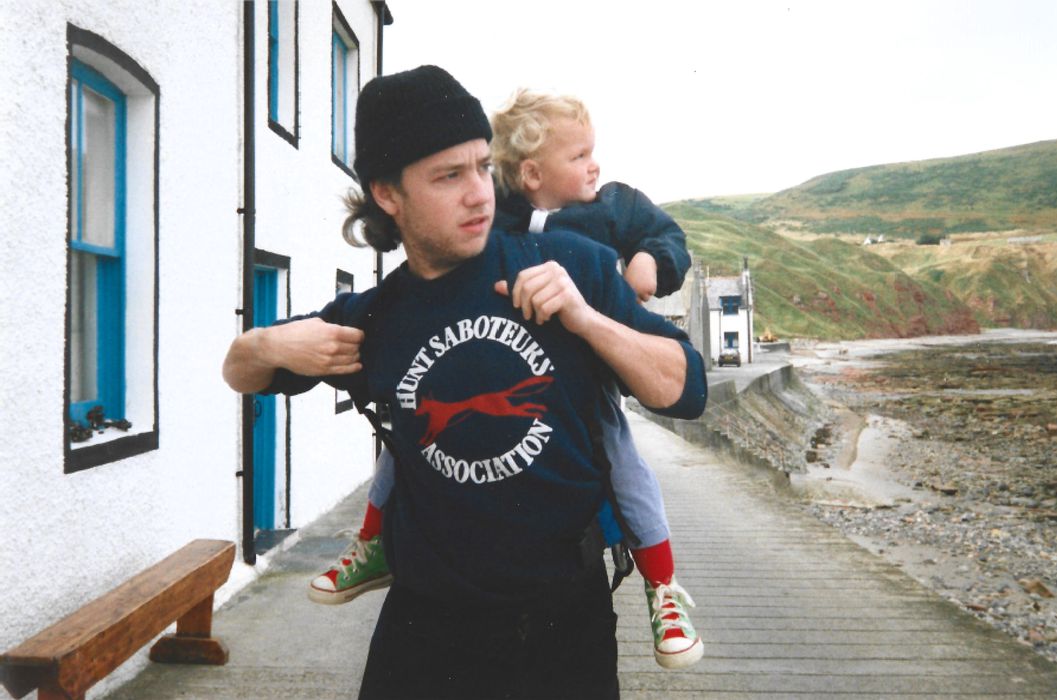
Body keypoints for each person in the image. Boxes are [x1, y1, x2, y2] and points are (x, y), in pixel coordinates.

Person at [223, 65, 707, 699]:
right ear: (389, 195)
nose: (480, 193)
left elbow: (685, 389)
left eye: (482, 167)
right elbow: (241, 371)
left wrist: (587, 320)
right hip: (426, 630)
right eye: (449, 176)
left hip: (566, 624)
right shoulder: (377, 318)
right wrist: (263, 341)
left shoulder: (570, 268)